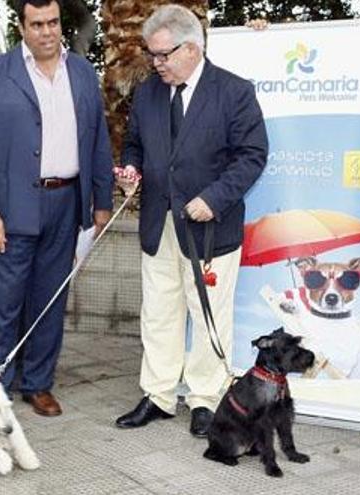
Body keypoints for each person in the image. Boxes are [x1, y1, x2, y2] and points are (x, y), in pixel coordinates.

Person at [114, 4, 268, 438]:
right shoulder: (148, 92)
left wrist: (213, 199)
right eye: (153, 55)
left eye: (164, 54)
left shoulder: (234, 91)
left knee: (208, 315)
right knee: (159, 312)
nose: (157, 63)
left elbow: (252, 155)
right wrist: (131, 171)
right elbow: (134, 144)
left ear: (193, 46)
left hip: (210, 227)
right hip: (158, 222)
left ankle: (204, 399)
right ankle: (159, 395)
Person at [0, 0, 113, 417]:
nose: (47, 32)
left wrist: (102, 202)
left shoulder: (82, 72)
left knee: (50, 300)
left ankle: (38, 383)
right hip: (10, 210)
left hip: (68, 204)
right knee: (1, 304)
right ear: (22, 27)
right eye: (37, 24)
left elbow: (98, 140)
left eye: (53, 23)